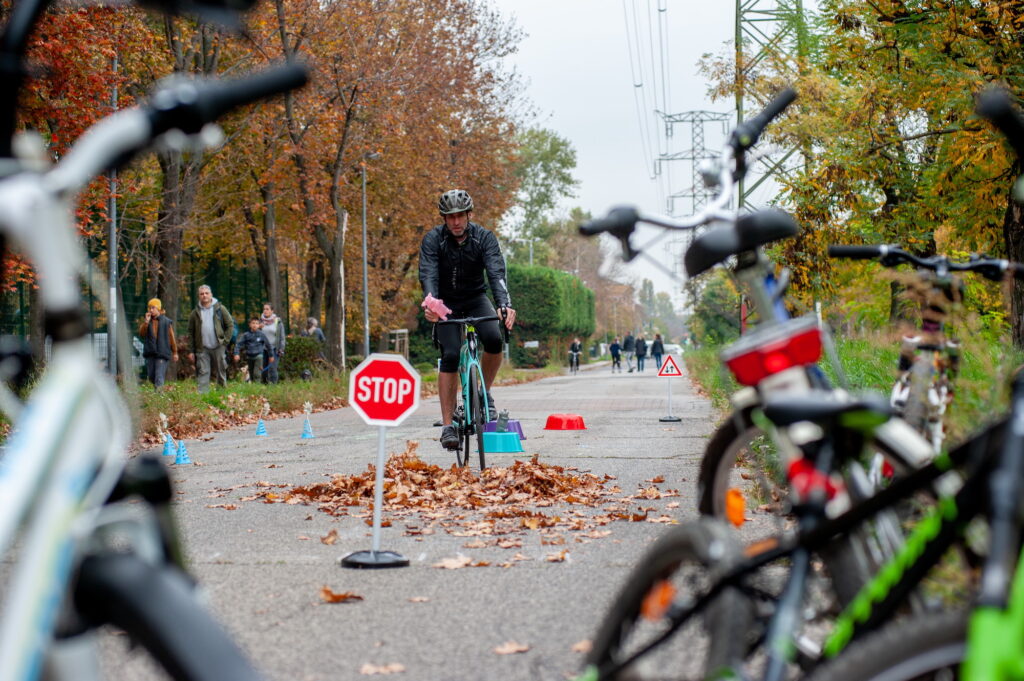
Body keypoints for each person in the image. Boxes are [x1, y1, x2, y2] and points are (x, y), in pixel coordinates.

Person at [419, 189, 516, 451]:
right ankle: (448, 424)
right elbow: (428, 275)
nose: (455, 222)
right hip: (446, 303)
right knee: (450, 354)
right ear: (444, 219)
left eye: (460, 216)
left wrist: (504, 305)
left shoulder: (484, 238)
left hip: (475, 297)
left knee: (494, 338)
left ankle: (483, 392)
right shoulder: (433, 240)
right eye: (449, 217)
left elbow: (496, 273)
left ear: (469, 215)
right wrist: (431, 306)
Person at [187, 285, 233, 393]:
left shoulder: (220, 309)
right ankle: (203, 395)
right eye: (202, 294)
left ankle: (221, 392)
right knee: (203, 371)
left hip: (218, 345)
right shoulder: (195, 313)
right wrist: (191, 350)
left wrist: (225, 341)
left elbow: (230, 324)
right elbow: (190, 332)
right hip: (202, 347)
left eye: (206, 293)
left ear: (211, 294)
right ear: (199, 296)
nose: (204, 296)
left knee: (221, 370)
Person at [138, 298, 177, 389]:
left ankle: (159, 396)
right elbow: (141, 334)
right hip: (150, 352)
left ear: (158, 308)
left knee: (159, 376)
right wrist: (146, 322)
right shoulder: (147, 321)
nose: (151, 310)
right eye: (149, 308)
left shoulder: (166, 321)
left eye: (153, 308)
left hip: (162, 352)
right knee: (152, 377)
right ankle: (157, 393)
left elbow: (172, 337)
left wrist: (175, 352)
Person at [234, 317, 273, 383]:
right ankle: (253, 388)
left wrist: (271, 356)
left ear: (259, 325)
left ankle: (257, 386)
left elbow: (268, 345)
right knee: (251, 374)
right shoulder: (246, 335)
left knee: (256, 374)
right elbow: (239, 345)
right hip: (249, 356)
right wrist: (236, 354)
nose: (255, 325)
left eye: (257, 323)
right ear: (250, 324)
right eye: (253, 323)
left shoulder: (261, 334)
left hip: (258, 356)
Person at [260, 302, 286, 384]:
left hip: (274, 348)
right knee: (263, 368)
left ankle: (273, 386)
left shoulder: (278, 322)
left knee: (272, 368)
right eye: (264, 309)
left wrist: (281, 348)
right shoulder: (260, 321)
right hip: (263, 349)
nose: (265, 311)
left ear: (272, 311)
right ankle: (263, 385)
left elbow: (282, 337)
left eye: (267, 309)